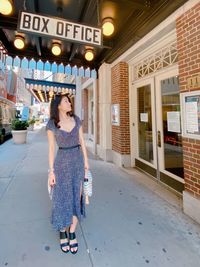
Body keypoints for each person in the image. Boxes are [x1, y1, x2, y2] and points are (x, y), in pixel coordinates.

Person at [46, 93, 89, 254]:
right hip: (61, 163)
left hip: (77, 162)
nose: (69, 103)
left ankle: (72, 231)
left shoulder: (76, 120)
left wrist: (86, 162)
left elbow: (82, 142)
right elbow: (51, 149)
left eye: (69, 100)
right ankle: (62, 231)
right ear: (58, 105)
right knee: (62, 198)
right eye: (66, 101)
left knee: (76, 197)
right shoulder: (52, 124)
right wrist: (51, 171)